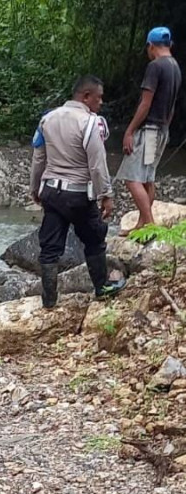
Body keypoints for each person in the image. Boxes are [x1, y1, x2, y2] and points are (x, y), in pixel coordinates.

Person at [30, 75, 126, 308]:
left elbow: (38, 158)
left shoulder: (47, 119)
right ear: (86, 96)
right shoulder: (91, 123)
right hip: (78, 194)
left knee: (50, 247)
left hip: (51, 192)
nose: (101, 102)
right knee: (94, 239)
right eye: (99, 97)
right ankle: (102, 287)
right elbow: (97, 163)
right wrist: (106, 195)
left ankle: (49, 300)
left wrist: (35, 188)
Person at [117, 27, 182, 236]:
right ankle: (142, 222)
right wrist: (165, 128)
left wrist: (129, 131)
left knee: (131, 177)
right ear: (169, 44)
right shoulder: (175, 67)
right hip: (162, 129)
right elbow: (171, 106)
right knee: (148, 177)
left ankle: (149, 224)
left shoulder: (155, 67)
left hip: (149, 130)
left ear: (150, 46)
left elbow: (145, 104)